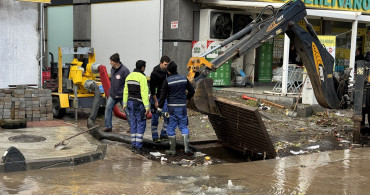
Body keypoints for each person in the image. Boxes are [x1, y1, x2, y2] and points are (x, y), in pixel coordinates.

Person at [158, 61, 195, 156]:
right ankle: (186, 148)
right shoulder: (184, 79)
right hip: (182, 107)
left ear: (169, 71)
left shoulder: (168, 81)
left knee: (171, 127)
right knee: (183, 126)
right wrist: (186, 98)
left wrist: (160, 107)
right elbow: (192, 91)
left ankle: (172, 150)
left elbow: (163, 95)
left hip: (172, 108)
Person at [123, 60, 150, 154]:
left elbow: (125, 91)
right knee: (141, 123)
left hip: (130, 103)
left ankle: (133, 145)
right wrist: (147, 107)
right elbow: (144, 93)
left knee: (133, 123)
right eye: (144, 67)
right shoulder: (142, 77)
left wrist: (124, 104)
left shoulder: (129, 76)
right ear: (142, 67)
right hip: (139, 104)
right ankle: (138, 147)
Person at [103, 53, 130, 132]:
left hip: (122, 96)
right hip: (113, 95)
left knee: (127, 111)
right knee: (108, 109)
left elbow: (128, 82)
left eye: (111, 61)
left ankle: (132, 126)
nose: (110, 62)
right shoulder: (112, 69)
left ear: (116, 62)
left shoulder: (125, 70)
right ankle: (108, 126)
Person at [149, 56, 171, 143]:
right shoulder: (155, 73)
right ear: (161, 63)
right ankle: (155, 136)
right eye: (165, 65)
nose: (166, 66)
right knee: (155, 118)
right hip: (156, 98)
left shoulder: (168, 72)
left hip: (165, 98)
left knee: (167, 116)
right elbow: (152, 89)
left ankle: (163, 134)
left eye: (168, 65)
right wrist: (156, 102)